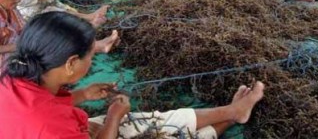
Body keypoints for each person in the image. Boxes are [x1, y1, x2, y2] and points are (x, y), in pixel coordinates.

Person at [0, 11, 265, 139]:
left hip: (63, 128)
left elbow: (39, 107)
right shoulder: (49, 127)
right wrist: (114, 117)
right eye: (91, 55)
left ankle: (233, 111)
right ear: (70, 63)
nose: (93, 61)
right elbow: (45, 122)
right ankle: (233, 117)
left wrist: (82, 95)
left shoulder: (13, 77)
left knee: (151, 119)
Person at [0, 0, 119, 72]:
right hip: (7, 63)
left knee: (53, 35)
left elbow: (24, 30)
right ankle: (97, 46)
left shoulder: (12, 9)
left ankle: (93, 40)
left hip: (20, 51)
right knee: (49, 47)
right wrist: (24, 45)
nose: (18, 1)